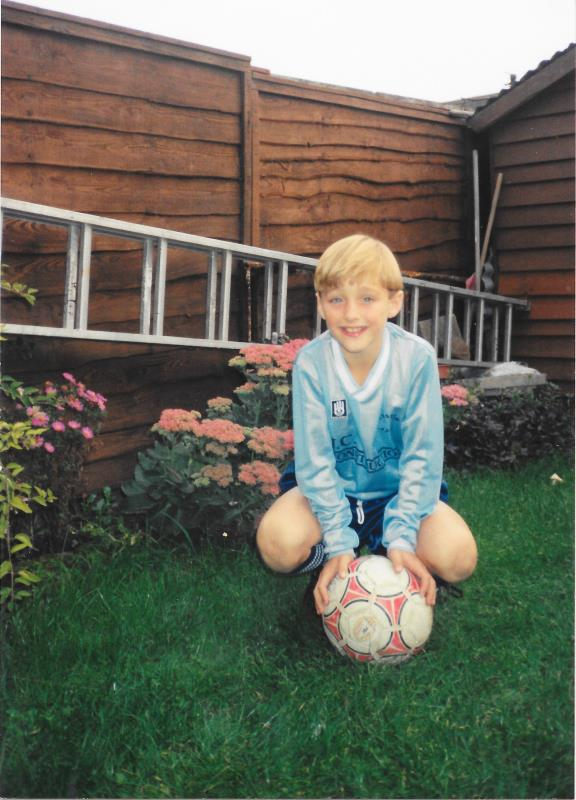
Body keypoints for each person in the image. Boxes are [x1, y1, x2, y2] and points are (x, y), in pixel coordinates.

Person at [256, 234, 477, 615]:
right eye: (336, 299)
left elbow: (423, 457)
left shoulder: (416, 359)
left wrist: (403, 535)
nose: (351, 314)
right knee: (278, 544)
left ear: (394, 302)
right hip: (333, 492)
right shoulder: (312, 363)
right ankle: (333, 567)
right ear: (320, 303)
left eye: (367, 299)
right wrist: (338, 541)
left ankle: (398, 567)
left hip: (397, 493)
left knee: (458, 557)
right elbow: (315, 461)